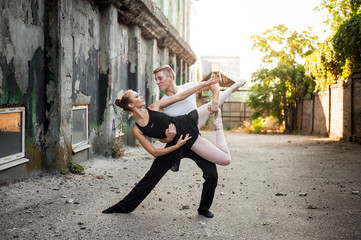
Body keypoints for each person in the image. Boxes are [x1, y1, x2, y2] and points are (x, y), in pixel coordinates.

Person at [102, 65, 246, 217]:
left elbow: (182, 96)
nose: (157, 82)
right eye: (137, 96)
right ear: (131, 105)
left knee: (212, 173)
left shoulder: (159, 103)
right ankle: (123, 207)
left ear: (170, 77)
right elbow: (155, 148)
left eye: (160, 78)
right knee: (151, 176)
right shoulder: (142, 124)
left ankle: (203, 209)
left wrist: (206, 88)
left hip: (190, 128)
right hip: (177, 143)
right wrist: (172, 141)